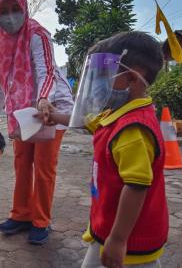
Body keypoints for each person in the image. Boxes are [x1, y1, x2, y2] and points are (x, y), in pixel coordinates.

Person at [64, 32, 167, 268]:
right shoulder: (118, 115)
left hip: (128, 240)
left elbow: (137, 186)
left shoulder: (133, 130)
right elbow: (90, 123)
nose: (97, 85)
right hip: (110, 227)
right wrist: (54, 118)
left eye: (103, 77)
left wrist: (119, 239)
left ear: (131, 79)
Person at [0, 0, 73, 245]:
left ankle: (41, 221)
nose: (10, 17)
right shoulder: (1, 43)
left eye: (15, 10)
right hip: (24, 112)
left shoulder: (37, 34)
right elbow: (3, 82)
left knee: (44, 168)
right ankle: (22, 215)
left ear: (24, 10)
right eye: (3, 12)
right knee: (22, 164)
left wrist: (44, 99)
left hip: (51, 108)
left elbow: (45, 70)